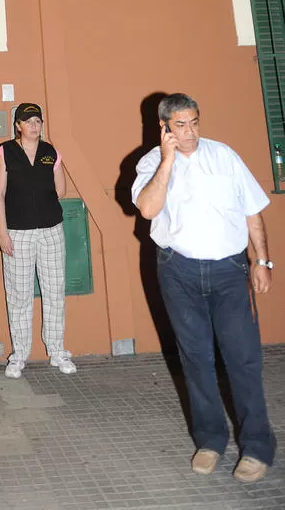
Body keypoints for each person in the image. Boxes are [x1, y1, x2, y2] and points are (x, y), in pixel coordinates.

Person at [132, 92, 276, 484]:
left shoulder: (224, 156)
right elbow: (147, 209)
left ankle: (258, 448)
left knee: (242, 358)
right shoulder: (150, 163)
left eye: (195, 122)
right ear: (163, 127)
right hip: (178, 273)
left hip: (230, 273)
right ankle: (211, 441)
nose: (190, 131)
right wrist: (167, 160)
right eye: (180, 125)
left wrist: (261, 261)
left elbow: (251, 209)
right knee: (195, 359)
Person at [0, 102, 76, 378]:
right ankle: (19, 356)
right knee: (19, 295)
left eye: (37, 120)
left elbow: (60, 191)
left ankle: (57, 351)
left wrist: (58, 165)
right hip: (17, 233)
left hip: (51, 231)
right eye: (27, 121)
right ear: (18, 125)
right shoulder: (6, 152)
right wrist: (2, 232)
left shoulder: (50, 152)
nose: (33, 125)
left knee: (54, 292)